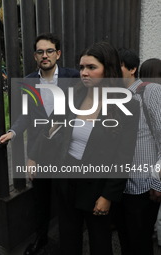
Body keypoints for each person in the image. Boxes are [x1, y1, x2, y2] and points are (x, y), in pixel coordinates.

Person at [55, 42, 139, 255]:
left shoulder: (127, 104)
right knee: (67, 239)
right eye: (81, 67)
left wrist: (107, 196)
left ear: (108, 69)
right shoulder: (74, 95)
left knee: (100, 243)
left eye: (91, 67)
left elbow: (124, 155)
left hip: (98, 186)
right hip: (67, 179)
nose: (84, 72)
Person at [0, 33, 79, 255]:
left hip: (65, 151)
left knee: (66, 202)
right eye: (40, 52)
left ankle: (69, 243)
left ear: (58, 54)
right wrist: (13, 132)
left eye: (49, 51)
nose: (45, 55)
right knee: (40, 201)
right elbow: (26, 114)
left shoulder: (73, 77)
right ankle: (41, 239)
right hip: (40, 152)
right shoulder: (29, 80)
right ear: (35, 56)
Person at [116, 51, 161, 255]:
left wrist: (158, 181)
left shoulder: (150, 91)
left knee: (140, 243)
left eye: (118, 67)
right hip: (120, 186)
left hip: (144, 186)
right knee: (125, 239)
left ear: (133, 69)